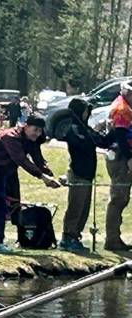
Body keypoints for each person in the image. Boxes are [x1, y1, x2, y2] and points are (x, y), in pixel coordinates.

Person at [0, 116, 61, 252]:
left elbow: (38, 160)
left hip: (2, 172)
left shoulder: (32, 140)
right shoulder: (10, 136)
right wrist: (43, 177)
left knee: (1, 206)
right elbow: (21, 160)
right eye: (35, 130)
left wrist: (52, 177)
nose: (37, 134)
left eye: (40, 131)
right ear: (26, 126)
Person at [50, 98, 112, 252]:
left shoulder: (84, 127)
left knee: (84, 208)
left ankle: (75, 236)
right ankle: (67, 238)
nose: (87, 114)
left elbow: (102, 142)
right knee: (75, 207)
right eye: (85, 110)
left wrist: (109, 130)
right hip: (78, 173)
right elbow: (85, 142)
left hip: (87, 174)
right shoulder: (74, 127)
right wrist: (92, 134)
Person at [103, 81, 132, 250]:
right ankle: (112, 238)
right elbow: (120, 137)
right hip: (121, 158)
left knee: (122, 197)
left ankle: (115, 236)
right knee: (118, 197)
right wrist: (129, 158)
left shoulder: (126, 107)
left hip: (124, 156)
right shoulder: (122, 109)